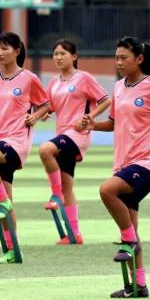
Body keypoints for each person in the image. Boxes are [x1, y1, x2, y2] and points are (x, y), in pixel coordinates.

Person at [86, 37, 150, 298]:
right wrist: (91, 125)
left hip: (147, 162)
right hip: (123, 163)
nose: (118, 62)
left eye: (124, 58)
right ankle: (139, 286)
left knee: (107, 191)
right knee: (130, 225)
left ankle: (128, 241)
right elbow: (113, 123)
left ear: (139, 59)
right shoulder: (118, 87)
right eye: (116, 58)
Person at [0, 32, 49, 264]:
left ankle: (1, 201)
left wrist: (34, 116)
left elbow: (46, 105)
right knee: (8, 199)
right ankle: (12, 250)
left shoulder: (29, 79)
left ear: (17, 51)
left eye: (5, 48)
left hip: (16, 142)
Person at [37, 39, 109, 244]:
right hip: (63, 134)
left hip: (77, 134)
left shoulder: (84, 78)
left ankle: (55, 195)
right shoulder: (54, 82)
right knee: (67, 186)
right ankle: (75, 234)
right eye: (55, 54)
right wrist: (45, 113)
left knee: (45, 150)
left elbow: (106, 100)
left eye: (63, 53)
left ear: (74, 56)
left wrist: (89, 117)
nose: (58, 57)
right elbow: (51, 106)